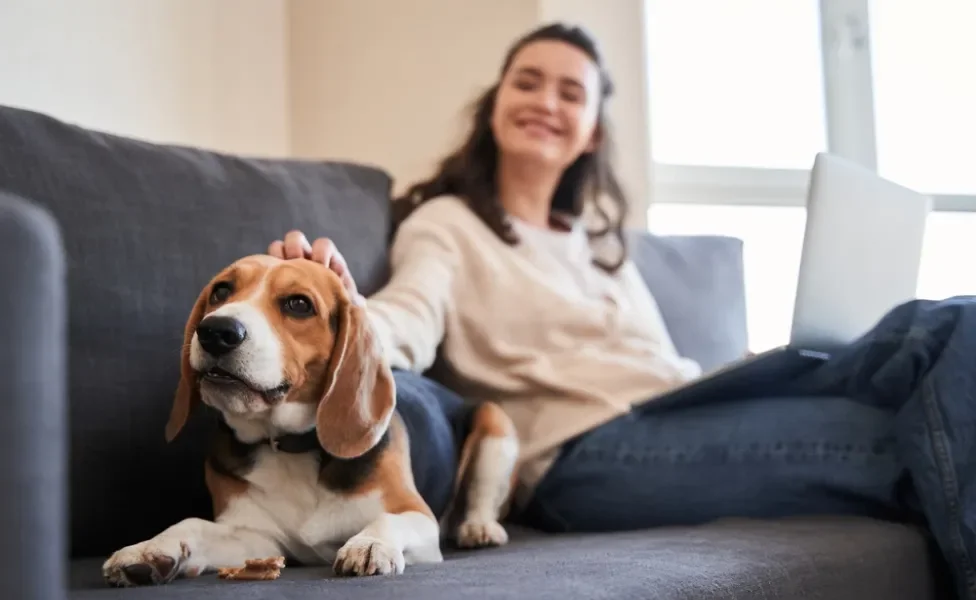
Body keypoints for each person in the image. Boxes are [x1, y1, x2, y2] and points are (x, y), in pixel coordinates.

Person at [268, 23, 976, 600]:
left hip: (679, 410)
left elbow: (666, 369)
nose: (546, 100)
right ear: (495, 106)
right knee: (928, 432)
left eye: (570, 92)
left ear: (592, 132)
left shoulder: (600, 248)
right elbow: (407, 323)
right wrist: (341, 309)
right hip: (582, 455)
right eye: (527, 82)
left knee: (953, 323)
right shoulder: (446, 224)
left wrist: (761, 371)